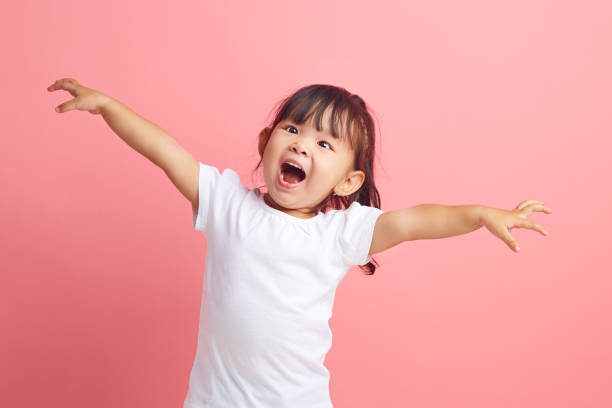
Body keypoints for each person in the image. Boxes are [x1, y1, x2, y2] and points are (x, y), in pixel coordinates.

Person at [47, 78, 552, 407]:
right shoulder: (226, 204)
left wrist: (480, 215)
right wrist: (109, 107)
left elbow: (415, 220)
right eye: (292, 129)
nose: (301, 144)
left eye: (323, 143)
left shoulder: (339, 233)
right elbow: (166, 150)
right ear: (266, 142)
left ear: (348, 182)